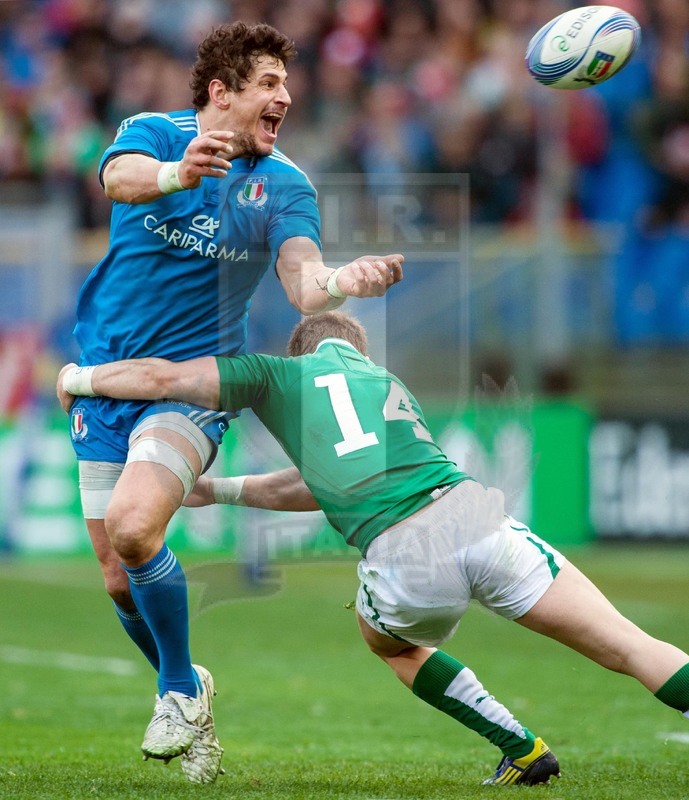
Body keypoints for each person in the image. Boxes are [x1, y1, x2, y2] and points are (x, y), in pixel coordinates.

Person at [57, 311, 689, 787]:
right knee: (631, 646)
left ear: (299, 349)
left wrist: (82, 377)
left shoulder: (278, 374)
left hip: (403, 552)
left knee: (386, 638)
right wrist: (222, 491)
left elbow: (165, 377)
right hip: (477, 516)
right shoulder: (382, 378)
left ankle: (521, 749)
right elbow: (320, 483)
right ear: (355, 349)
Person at [69, 21, 403, 784]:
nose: (284, 96)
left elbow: (301, 280)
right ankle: (187, 686)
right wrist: (176, 175)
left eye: (286, 85)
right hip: (108, 376)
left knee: (132, 526)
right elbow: (115, 179)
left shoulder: (283, 183)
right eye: (268, 84)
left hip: (190, 387)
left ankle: (177, 691)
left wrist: (346, 281)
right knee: (120, 575)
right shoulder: (154, 132)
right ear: (221, 91)